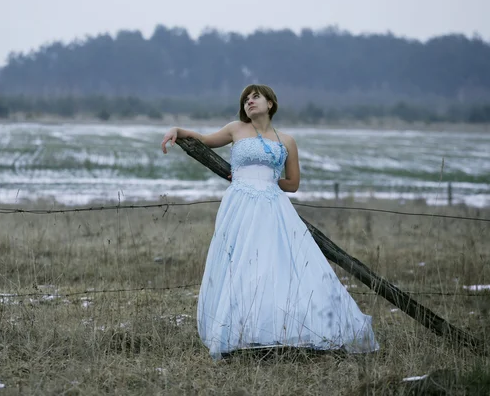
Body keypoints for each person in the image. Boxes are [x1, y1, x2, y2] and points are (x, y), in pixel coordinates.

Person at [161, 84, 379, 359]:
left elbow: (294, 183)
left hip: (273, 204)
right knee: (241, 262)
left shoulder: (286, 140)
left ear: (271, 104)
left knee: (279, 262)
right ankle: (241, 331)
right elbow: (203, 139)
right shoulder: (235, 129)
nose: (249, 102)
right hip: (240, 203)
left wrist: (268, 179)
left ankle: (288, 328)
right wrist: (177, 131)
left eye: (255, 97)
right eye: (245, 100)